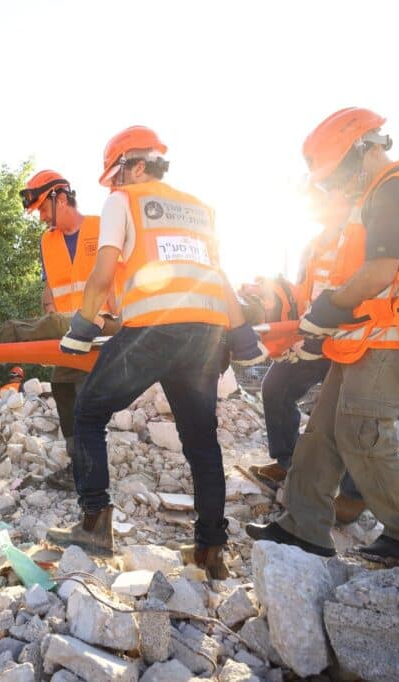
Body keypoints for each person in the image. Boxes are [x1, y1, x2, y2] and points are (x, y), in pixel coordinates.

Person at [45, 126, 268, 578]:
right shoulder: (199, 209)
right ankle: (211, 549)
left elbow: (103, 271)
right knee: (202, 441)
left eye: (115, 176)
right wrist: (242, 333)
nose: (113, 185)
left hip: (154, 329)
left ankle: (95, 523)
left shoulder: (124, 201)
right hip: (205, 335)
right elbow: (219, 278)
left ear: (135, 166)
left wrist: (83, 326)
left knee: (87, 413)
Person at [248, 108, 399, 561]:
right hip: (366, 337)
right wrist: (325, 320)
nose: (337, 186)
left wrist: (329, 308)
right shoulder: (381, 192)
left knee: (362, 434)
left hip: (396, 338)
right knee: (322, 434)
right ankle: (303, 526)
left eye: (340, 173)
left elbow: (380, 272)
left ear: (367, 148)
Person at [245, 185, 365, 524]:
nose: (314, 200)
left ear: (343, 194)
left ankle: (354, 494)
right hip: (315, 337)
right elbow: (304, 294)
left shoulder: (361, 234)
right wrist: (275, 297)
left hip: (353, 338)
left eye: (322, 193)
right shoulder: (315, 244)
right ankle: (288, 462)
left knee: (350, 414)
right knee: (275, 387)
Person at [22, 170, 119, 490]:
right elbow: (50, 288)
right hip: (68, 333)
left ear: (61, 198)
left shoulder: (102, 227)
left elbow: (120, 278)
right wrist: (50, 320)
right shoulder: (46, 241)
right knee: (62, 387)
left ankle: (92, 476)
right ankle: (80, 465)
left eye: (42, 208)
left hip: (103, 328)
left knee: (86, 398)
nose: (40, 217)